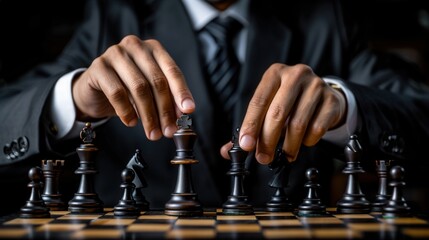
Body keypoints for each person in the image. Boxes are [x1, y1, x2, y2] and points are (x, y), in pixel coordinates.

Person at [1, 0, 428, 215]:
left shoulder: (323, 15)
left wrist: (344, 106)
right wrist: (70, 99)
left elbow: (418, 113)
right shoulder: (114, 15)